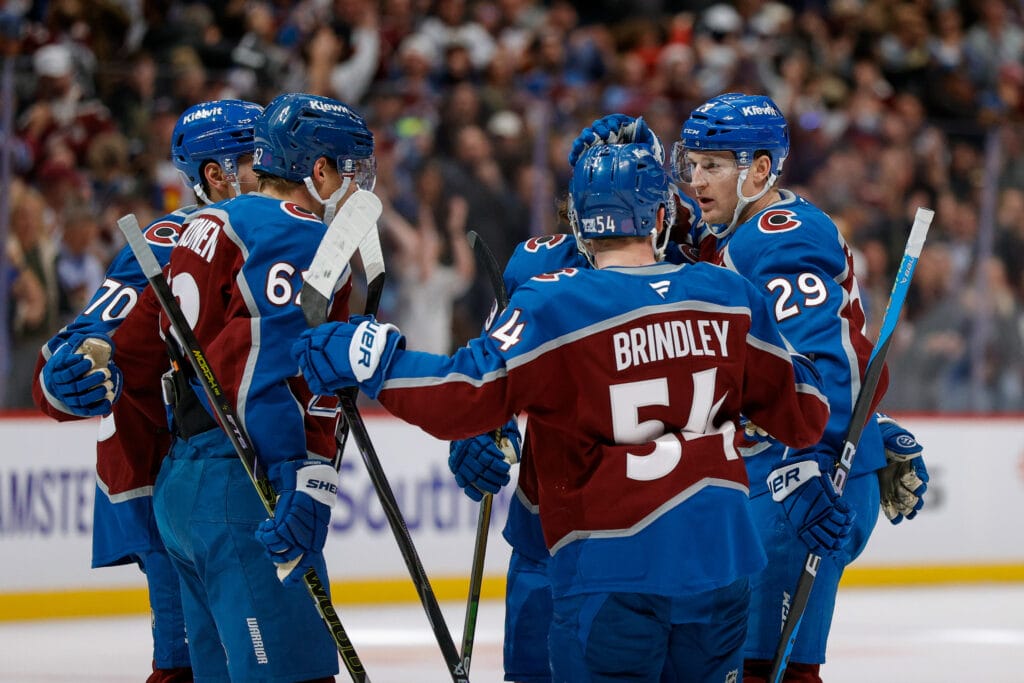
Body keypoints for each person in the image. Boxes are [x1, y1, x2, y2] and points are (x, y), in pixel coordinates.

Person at [294, 142, 846, 682]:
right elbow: (806, 413)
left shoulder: (556, 303)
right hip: (722, 567)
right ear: (660, 217)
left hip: (612, 567)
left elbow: (463, 391)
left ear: (578, 226)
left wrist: (369, 356)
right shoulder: (729, 293)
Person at [567, 94, 929, 681]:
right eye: (692, 164)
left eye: (714, 165)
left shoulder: (779, 238)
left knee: (770, 671)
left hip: (800, 482)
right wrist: (622, 166)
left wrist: (812, 460)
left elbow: (826, 366)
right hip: (769, 474)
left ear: (760, 170)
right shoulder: (729, 233)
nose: (696, 180)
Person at [89, 92, 374, 682]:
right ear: (317, 170)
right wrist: (300, 475)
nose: (359, 188)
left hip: (184, 481)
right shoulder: (298, 235)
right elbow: (254, 372)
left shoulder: (199, 226)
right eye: (351, 171)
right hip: (245, 481)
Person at [31, 99, 263, 683]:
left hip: (249, 476)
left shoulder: (284, 234)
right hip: (172, 476)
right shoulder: (168, 239)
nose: (281, 168)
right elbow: (83, 340)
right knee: (189, 663)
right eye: (262, 159)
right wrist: (71, 377)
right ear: (217, 174)